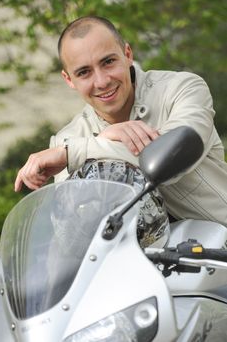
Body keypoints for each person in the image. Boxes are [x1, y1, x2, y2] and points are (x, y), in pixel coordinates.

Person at [14, 16, 227, 226]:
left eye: (108, 62)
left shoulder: (182, 88)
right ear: (69, 79)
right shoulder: (67, 139)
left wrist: (77, 153)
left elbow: (173, 160)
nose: (102, 81)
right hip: (144, 259)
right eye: (84, 72)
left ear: (127, 54)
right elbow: (72, 231)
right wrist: (105, 139)